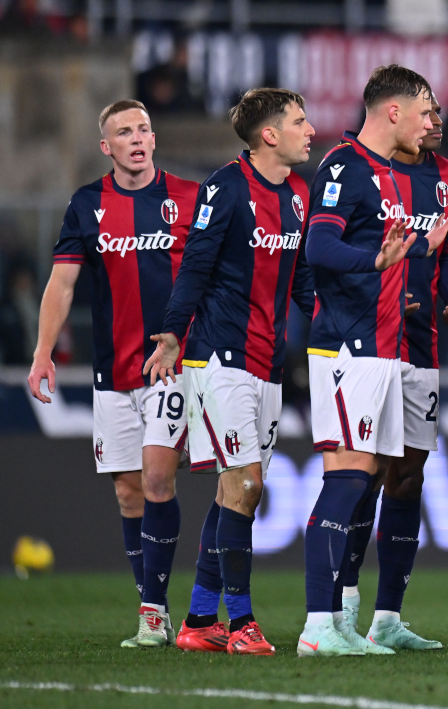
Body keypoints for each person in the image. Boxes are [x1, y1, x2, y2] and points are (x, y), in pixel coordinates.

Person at [144, 87, 317, 656]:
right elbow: (195, 264)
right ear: (269, 135)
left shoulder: (297, 194)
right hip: (219, 357)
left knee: (234, 494)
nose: (310, 129)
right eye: (298, 121)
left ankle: (198, 621)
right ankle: (240, 622)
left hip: (266, 362)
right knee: (246, 483)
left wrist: (339, 322)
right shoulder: (225, 188)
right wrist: (172, 334)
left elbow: (302, 282)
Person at [28, 100, 197, 648]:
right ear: (107, 147)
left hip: (169, 369)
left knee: (154, 479)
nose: (138, 138)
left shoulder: (189, 199)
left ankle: (151, 614)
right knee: (128, 494)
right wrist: (42, 352)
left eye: (145, 128)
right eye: (125, 132)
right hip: (112, 373)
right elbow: (63, 285)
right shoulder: (87, 205)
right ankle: (157, 606)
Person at [299, 65, 448, 656]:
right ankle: (317, 626)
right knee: (346, 482)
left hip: (384, 346)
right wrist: (378, 264)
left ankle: (338, 622)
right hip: (347, 345)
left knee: (364, 487)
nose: (431, 123)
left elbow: (378, 254)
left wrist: (414, 265)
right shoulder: (345, 166)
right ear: (395, 111)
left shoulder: (387, 173)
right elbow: (319, 245)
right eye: (424, 111)